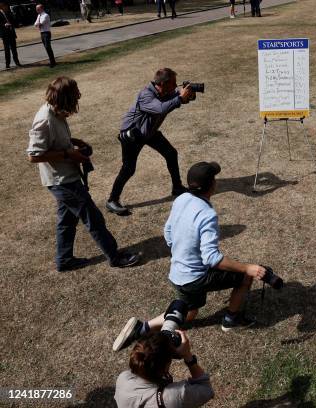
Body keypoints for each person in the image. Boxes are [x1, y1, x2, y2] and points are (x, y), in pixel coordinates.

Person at [112, 161, 267, 352]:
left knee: (189, 311)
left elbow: (167, 231)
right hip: (195, 277)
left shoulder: (181, 198)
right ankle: (231, 318)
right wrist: (247, 268)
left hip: (178, 272)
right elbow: (212, 258)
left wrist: (181, 252)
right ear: (212, 185)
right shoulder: (207, 214)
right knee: (245, 277)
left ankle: (142, 328)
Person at [27, 77, 140, 271]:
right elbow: (34, 155)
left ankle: (64, 260)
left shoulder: (56, 112)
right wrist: (67, 153)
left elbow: (55, 139)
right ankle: (115, 257)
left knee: (66, 221)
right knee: (94, 219)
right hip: (62, 181)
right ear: (64, 98)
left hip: (65, 177)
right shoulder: (45, 119)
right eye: (74, 97)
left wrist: (74, 142)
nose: (77, 100)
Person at [106, 68, 194, 215]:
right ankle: (112, 200)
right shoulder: (146, 95)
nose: (176, 85)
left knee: (171, 153)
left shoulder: (165, 92)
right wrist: (179, 98)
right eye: (173, 83)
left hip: (149, 132)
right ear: (164, 83)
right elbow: (160, 108)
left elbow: (173, 100)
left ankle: (177, 187)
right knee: (128, 169)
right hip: (133, 135)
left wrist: (187, 96)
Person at [115, 331, 214, 408]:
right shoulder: (173, 396)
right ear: (166, 366)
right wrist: (188, 356)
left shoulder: (123, 378)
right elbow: (207, 389)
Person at [0, 2, 21, 69]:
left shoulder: (9, 13)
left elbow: (14, 22)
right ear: (2, 6)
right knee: (7, 50)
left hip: (11, 33)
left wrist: (14, 15)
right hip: (5, 35)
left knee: (14, 49)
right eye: (6, 6)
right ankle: (7, 64)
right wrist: (4, 25)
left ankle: (17, 62)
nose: (7, 8)